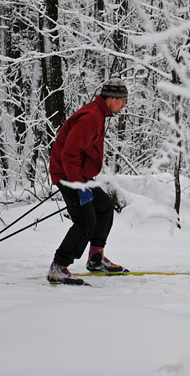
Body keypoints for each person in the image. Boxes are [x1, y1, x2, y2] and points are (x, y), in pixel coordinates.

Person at [46, 77, 129, 284]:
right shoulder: (91, 117)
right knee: (85, 221)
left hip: (79, 174)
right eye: (122, 100)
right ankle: (58, 266)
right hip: (69, 175)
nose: (124, 105)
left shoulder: (99, 114)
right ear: (111, 99)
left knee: (104, 208)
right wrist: (79, 186)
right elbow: (69, 155)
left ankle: (95, 259)